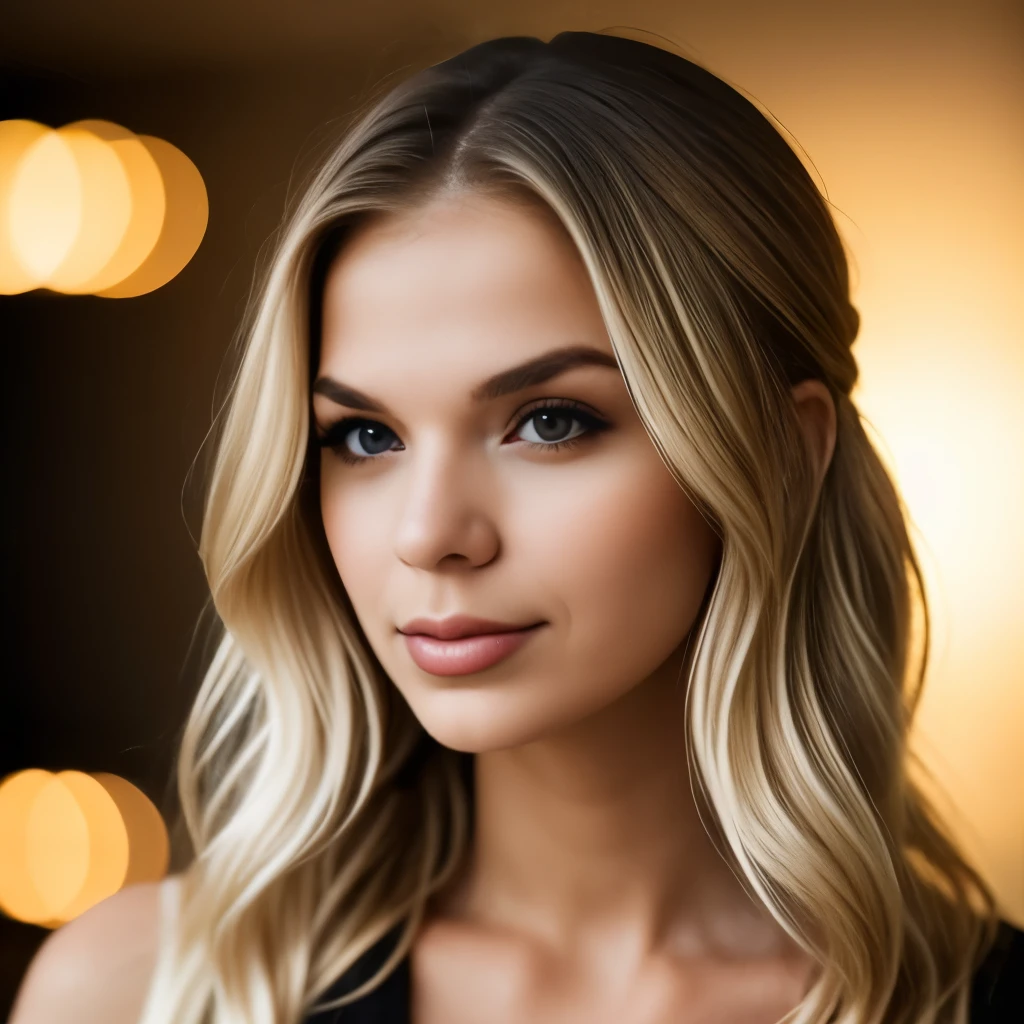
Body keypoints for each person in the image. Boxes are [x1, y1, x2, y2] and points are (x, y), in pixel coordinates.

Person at [11, 29, 1023, 1024]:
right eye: (364, 435)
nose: (428, 534)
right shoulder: (144, 988)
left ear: (782, 453)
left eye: (549, 422)